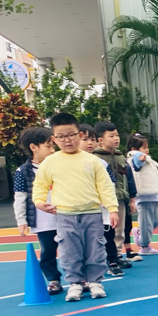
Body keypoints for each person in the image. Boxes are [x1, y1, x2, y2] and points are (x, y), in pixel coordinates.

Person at [32, 113, 119, 301]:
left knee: (95, 249)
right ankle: (75, 283)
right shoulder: (50, 162)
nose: (67, 140)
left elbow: (105, 186)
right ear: (54, 139)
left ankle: (95, 281)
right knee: (69, 251)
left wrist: (112, 209)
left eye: (71, 135)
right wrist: (39, 202)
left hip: (92, 214)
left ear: (79, 135)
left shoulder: (93, 161)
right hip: (64, 216)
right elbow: (40, 184)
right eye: (61, 137)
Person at [13, 127, 62, 294]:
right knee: (48, 250)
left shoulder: (59, 166)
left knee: (73, 248)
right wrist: (21, 221)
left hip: (65, 216)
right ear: (33, 147)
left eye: (53, 146)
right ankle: (53, 279)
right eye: (48, 146)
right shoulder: (23, 171)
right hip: (42, 221)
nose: (52, 150)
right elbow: (20, 198)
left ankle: (79, 277)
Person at [78, 124, 126, 277]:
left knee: (108, 236)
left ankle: (112, 262)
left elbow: (110, 183)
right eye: (85, 139)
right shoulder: (68, 164)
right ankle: (86, 268)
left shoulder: (100, 163)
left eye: (92, 139)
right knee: (85, 240)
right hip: (81, 210)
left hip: (102, 209)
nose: (90, 143)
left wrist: (110, 204)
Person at [94, 121, 139, 263]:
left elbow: (129, 178)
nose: (116, 138)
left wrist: (132, 198)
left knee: (119, 228)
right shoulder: (96, 158)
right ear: (100, 140)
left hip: (120, 198)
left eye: (117, 135)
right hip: (103, 200)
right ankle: (106, 256)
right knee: (106, 228)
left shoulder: (121, 157)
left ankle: (117, 254)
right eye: (111, 136)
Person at [127, 133, 158, 255]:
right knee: (146, 223)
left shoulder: (150, 162)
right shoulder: (135, 157)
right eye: (144, 147)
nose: (147, 150)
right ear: (134, 149)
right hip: (144, 197)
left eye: (147, 147)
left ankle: (139, 233)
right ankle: (144, 246)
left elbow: (156, 179)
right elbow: (135, 162)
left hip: (153, 195)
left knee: (156, 221)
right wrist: (140, 158)